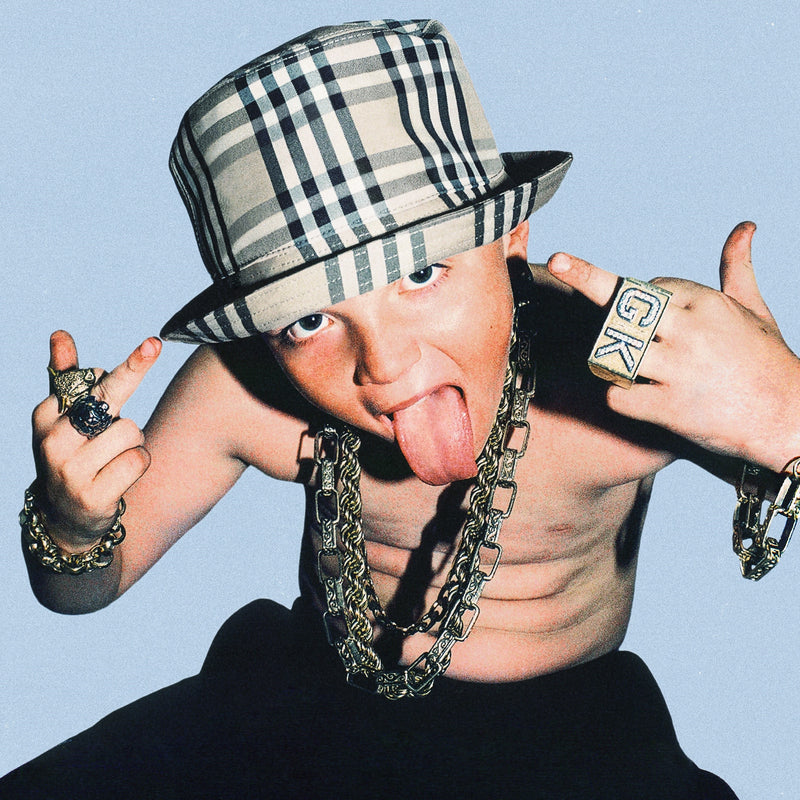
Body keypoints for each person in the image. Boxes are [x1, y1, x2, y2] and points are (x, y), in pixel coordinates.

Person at [3, 18, 798, 799]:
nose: (383, 365)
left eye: (420, 275)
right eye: (307, 320)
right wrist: (72, 526)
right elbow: (81, 588)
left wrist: (782, 412)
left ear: (510, 239)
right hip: (303, 703)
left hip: (571, 741)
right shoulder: (242, 387)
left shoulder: (618, 370)